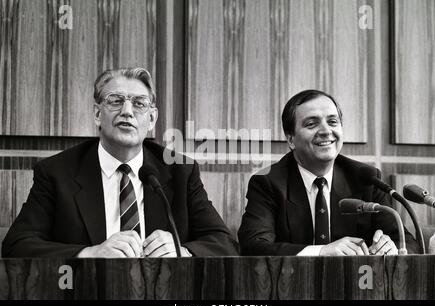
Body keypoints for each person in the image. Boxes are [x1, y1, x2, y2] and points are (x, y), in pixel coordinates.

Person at [2, 67, 239, 258]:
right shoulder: (56, 172)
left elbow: (225, 244)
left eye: (139, 103)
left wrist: (183, 251)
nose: (127, 111)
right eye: (115, 101)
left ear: (152, 118)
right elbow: (18, 245)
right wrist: (90, 253)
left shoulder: (180, 171)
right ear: (97, 114)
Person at [238, 89, 419, 256]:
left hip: (358, 284)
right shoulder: (268, 182)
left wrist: (393, 248)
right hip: (292, 285)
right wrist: (321, 251)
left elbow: (409, 243)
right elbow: (253, 246)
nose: (326, 131)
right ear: (291, 139)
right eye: (311, 124)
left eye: (333, 122)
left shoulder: (366, 178)